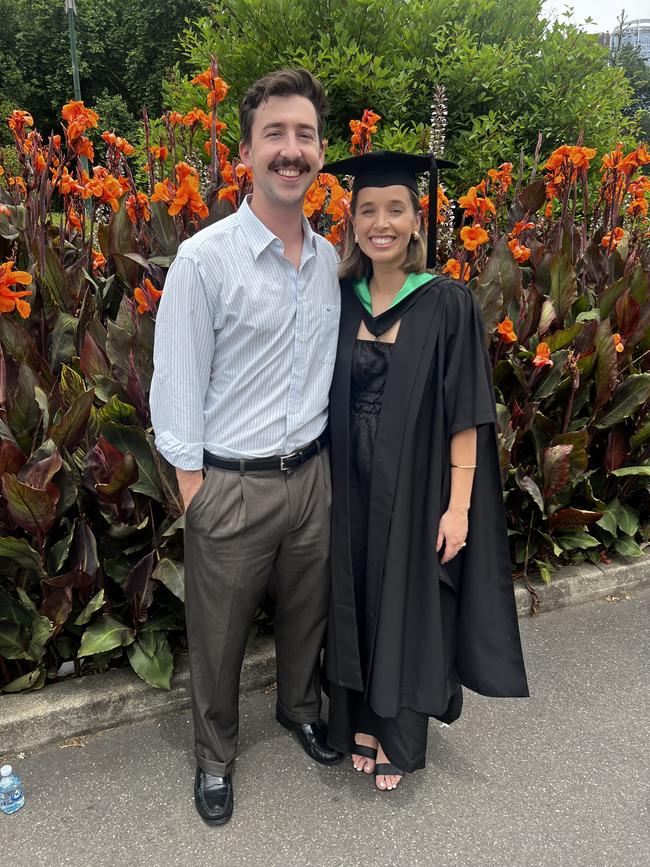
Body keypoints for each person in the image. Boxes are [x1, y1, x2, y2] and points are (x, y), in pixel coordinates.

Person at [150, 68, 343, 826]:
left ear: (321, 152)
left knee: (308, 614)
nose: (290, 150)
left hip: (311, 479)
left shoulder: (333, 262)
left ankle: (299, 709)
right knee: (218, 636)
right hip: (230, 484)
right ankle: (214, 757)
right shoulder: (205, 260)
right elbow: (177, 385)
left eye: (303, 135)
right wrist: (196, 490)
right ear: (246, 152)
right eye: (275, 135)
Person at [322, 151, 529, 792]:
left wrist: (458, 506)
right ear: (351, 221)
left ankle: (398, 734)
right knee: (352, 595)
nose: (380, 223)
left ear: (417, 220)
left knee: (406, 601)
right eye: (367, 211)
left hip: (415, 487)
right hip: (346, 485)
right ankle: (356, 716)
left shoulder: (447, 303)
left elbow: (467, 412)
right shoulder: (339, 297)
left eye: (395, 210)